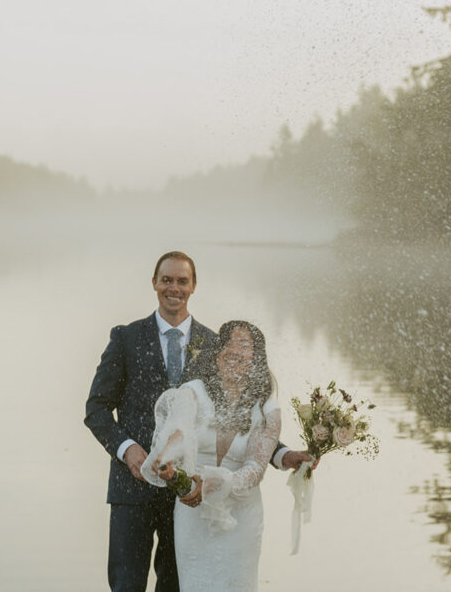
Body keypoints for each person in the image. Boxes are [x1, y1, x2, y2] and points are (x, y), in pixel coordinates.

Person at [84, 251, 315, 592]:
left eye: (182, 281)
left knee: (177, 585)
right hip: (132, 488)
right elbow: (97, 409)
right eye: (167, 280)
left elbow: (235, 414)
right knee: (126, 585)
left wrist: (281, 455)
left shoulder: (215, 343)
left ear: (193, 286)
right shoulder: (126, 338)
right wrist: (127, 449)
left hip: (190, 495)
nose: (173, 288)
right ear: (154, 283)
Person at [142, 321, 280, 591]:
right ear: (217, 354)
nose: (234, 351)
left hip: (241, 517)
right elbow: (179, 435)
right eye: (228, 342)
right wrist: (167, 461)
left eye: (244, 345)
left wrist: (218, 484)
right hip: (194, 514)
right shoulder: (192, 393)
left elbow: (255, 469)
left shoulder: (267, 408)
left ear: (257, 358)